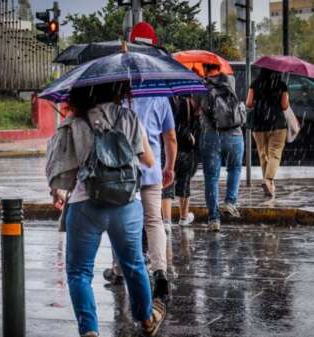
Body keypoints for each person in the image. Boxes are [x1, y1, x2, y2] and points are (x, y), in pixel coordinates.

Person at [46, 82, 166, 337]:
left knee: (79, 272)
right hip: (126, 204)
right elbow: (148, 161)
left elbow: (60, 169)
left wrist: (57, 193)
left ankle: (89, 335)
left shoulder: (74, 122)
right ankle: (147, 319)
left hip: (85, 203)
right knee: (134, 263)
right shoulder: (127, 116)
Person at [104, 96, 176, 303]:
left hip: (123, 172)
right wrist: (169, 167)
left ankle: (118, 269)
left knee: (121, 222)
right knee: (154, 221)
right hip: (152, 170)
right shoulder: (161, 99)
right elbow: (170, 136)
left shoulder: (118, 100)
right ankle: (160, 271)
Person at [196, 63, 244, 232]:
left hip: (211, 135)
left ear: (206, 69)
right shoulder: (231, 81)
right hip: (234, 134)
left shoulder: (201, 86)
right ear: (220, 67)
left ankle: (213, 219)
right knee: (235, 168)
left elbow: (197, 110)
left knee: (211, 177)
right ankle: (230, 202)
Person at [246, 68, 290, 197]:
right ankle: (268, 179)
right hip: (277, 124)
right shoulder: (281, 85)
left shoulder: (255, 83)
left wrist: (259, 103)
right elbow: (284, 106)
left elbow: (249, 103)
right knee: (275, 154)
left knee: (263, 154)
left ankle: (269, 186)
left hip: (259, 124)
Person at [161, 96, 200, 228]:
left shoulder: (163, 101)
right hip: (185, 146)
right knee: (184, 182)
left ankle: (166, 220)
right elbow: (195, 123)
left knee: (166, 183)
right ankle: (183, 217)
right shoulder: (188, 102)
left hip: (167, 147)